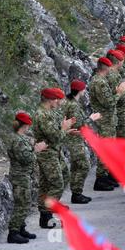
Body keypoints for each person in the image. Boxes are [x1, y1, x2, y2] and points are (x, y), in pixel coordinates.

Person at [33, 88, 76, 228]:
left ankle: (45, 214)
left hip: (53, 152)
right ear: (50, 100)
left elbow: (56, 134)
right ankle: (47, 211)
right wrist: (63, 129)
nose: (58, 102)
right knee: (57, 184)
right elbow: (55, 136)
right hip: (47, 155)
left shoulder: (48, 112)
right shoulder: (42, 115)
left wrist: (65, 129)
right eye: (56, 99)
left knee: (49, 183)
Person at [7, 112, 47, 243]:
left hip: (23, 175)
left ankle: (20, 229)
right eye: (28, 125)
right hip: (19, 176)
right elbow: (26, 158)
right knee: (22, 204)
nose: (29, 128)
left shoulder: (20, 137)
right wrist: (36, 150)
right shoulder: (17, 140)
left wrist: (33, 148)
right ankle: (13, 233)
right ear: (24, 126)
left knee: (24, 202)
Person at [89, 57, 125, 191]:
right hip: (105, 120)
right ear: (105, 68)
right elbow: (110, 102)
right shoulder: (99, 82)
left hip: (107, 120)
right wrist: (119, 93)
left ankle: (106, 175)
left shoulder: (99, 80)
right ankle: (101, 178)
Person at [62, 79, 102, 204]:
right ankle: (77, 193)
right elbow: (79, 124)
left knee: (77, 166)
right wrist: (91, 119)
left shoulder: (70, 102)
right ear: (80, 90)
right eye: (84, 89)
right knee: (84, 165)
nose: (85, 91)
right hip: (74, 140)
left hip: (73, 138)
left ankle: (76, 193)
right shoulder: (73, 105)